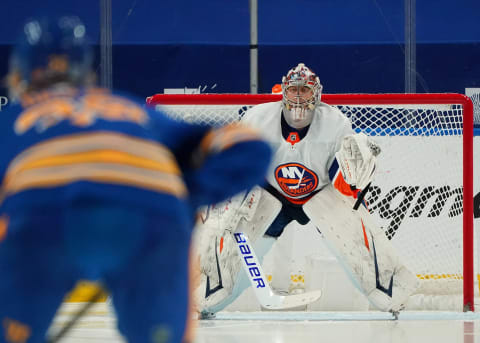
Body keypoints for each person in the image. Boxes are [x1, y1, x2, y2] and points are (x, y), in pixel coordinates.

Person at [0, 16, 271, 343]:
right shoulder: (130, 110)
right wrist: (188, 194)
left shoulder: (13, 117)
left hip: (44, 216)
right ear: (88, 75)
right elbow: (250, 146)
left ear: (18, 76)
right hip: (154, 218)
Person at [194, 63, 419, 316]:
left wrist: (355, 177)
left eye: (305, 90)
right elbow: (241, 161)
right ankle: (208, 298)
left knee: (356, 241)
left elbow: (342, 177)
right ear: (283, 92)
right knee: (229, 251)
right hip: (271, 192)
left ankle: (391, 293)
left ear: (317, 93)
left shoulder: (336, 123)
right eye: (293, 91)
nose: (299, 97)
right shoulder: (258, 118)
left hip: (320, 193)